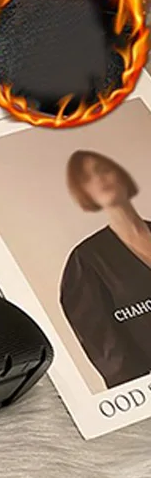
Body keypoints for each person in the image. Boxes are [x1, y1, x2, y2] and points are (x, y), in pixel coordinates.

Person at [60, 150, 151, 389]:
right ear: (84, 192)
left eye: (103, 170)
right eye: (87, 178)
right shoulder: (85, 261)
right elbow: (108, 350)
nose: (99, 178)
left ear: (121, 175)